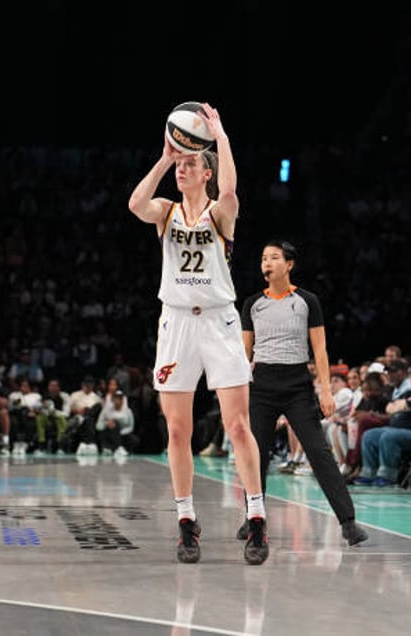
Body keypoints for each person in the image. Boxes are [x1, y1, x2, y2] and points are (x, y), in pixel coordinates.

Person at [128, 102, 268, 565]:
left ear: (205, 172)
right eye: (181, 165)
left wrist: (220, 137)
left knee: (238, 425)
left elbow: (230, 185)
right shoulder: (165, 212)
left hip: (219, 320)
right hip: (176, 322)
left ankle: (257, 517)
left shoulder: (220, 213)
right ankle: (186, 521)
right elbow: (134, 204)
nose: (183, 170)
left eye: (191, 164)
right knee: (177, 430)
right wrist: (166, 158)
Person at [240, 239, 368, 547]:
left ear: (289, 264)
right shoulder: (252, 304)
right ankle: (252, 517)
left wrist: (325, 391)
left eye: (273, 258)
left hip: (297, 383)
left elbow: (320, 350)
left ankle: (348, 522)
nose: (266, 263)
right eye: (263, 258)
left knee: (319, 452)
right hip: (262, 384)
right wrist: (239, 393)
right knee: (255, 455)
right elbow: (243, 354)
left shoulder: (308, 301)